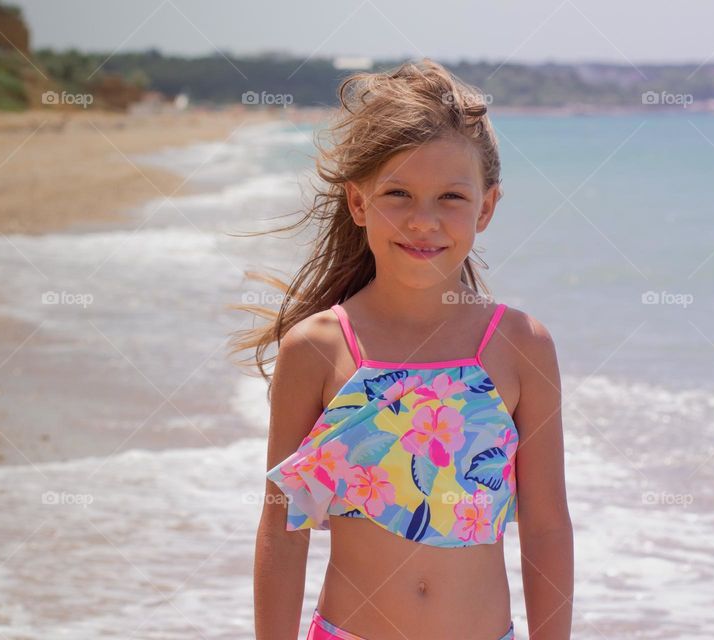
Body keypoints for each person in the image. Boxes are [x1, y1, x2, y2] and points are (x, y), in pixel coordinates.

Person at [229, 59, 573, 639]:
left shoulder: (520, 346)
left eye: (450, 198)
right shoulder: (318, 348)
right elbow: (282, 530)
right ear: (359, 204)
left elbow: (545, 527)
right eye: (398, 194)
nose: (423, 220)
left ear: (486, 208)